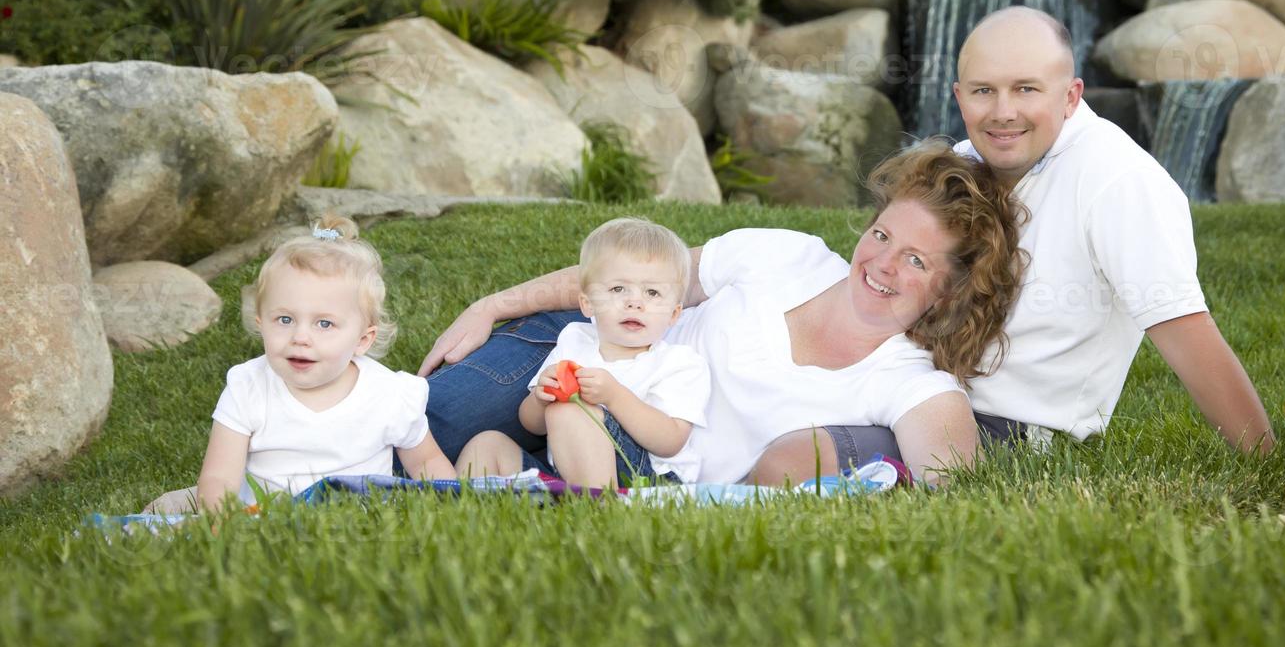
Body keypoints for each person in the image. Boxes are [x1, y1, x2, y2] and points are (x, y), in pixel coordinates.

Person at [753, 5, 1274, 482]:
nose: (1003, 112)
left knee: (798, 458)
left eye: (1026, 89)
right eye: (983, 91)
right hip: (895, 388)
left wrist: (1268, 465)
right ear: (959, 96)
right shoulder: (962, 165)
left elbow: (1184, 329)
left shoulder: (1118, 181)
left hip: (1006, 434)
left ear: (1071, 95)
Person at [418, 141, 1027, 485]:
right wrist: (491, 305)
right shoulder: (789, 256)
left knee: (457, 466)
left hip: (643, 466)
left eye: (918, 261)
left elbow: (957, 488)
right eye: (884, 235)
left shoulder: (908, 381)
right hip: (581, 350)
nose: (883, 264)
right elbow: (638, 278)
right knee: (420, 430)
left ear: (950, 290)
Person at [145, 216, 456, 514]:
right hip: (264, 520)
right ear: (260, 323)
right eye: (284, 319)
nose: (300, 337)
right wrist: (224, 520)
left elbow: (426, 461)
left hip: (362, 523)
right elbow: (219, 477)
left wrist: (449, 507)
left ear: (363, 339)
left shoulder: (389, 394)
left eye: (324, 323)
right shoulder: (249, 388)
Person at [455, 218, 711, 488]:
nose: (634, 302)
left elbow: (670, 441)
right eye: (618, 289)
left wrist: (614, 397)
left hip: (649, 477)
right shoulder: (575, 339)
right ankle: (457, 511)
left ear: (673, 314)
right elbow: (533, 425)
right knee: (486, 444)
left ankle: (600, 510)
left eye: (652, 292)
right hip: (569, 474)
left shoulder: (678, 363)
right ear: (587, 304)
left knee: (568, 411)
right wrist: (541, 398)